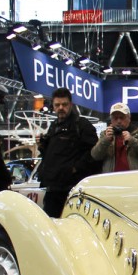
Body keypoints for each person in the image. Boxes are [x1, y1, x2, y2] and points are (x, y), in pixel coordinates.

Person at [36, 87, 98, 217]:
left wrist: (75, 169)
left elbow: (94, 154)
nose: (60, 108)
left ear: (70, 105)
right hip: (52, 189)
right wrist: (42, 146)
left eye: (64, 104)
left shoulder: (81, 125)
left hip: (72, 190)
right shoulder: (54, 127)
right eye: (57, 105)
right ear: (53, 106)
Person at [90, 102, 138, 173]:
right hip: (111, 179)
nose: (119, 121)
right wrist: (105, 140)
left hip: (133, 178)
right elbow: (95, 156)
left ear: (129, 118)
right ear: (111, 120)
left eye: (122, 117)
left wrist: (132, 140)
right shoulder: (105, 134)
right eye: (115, 118)